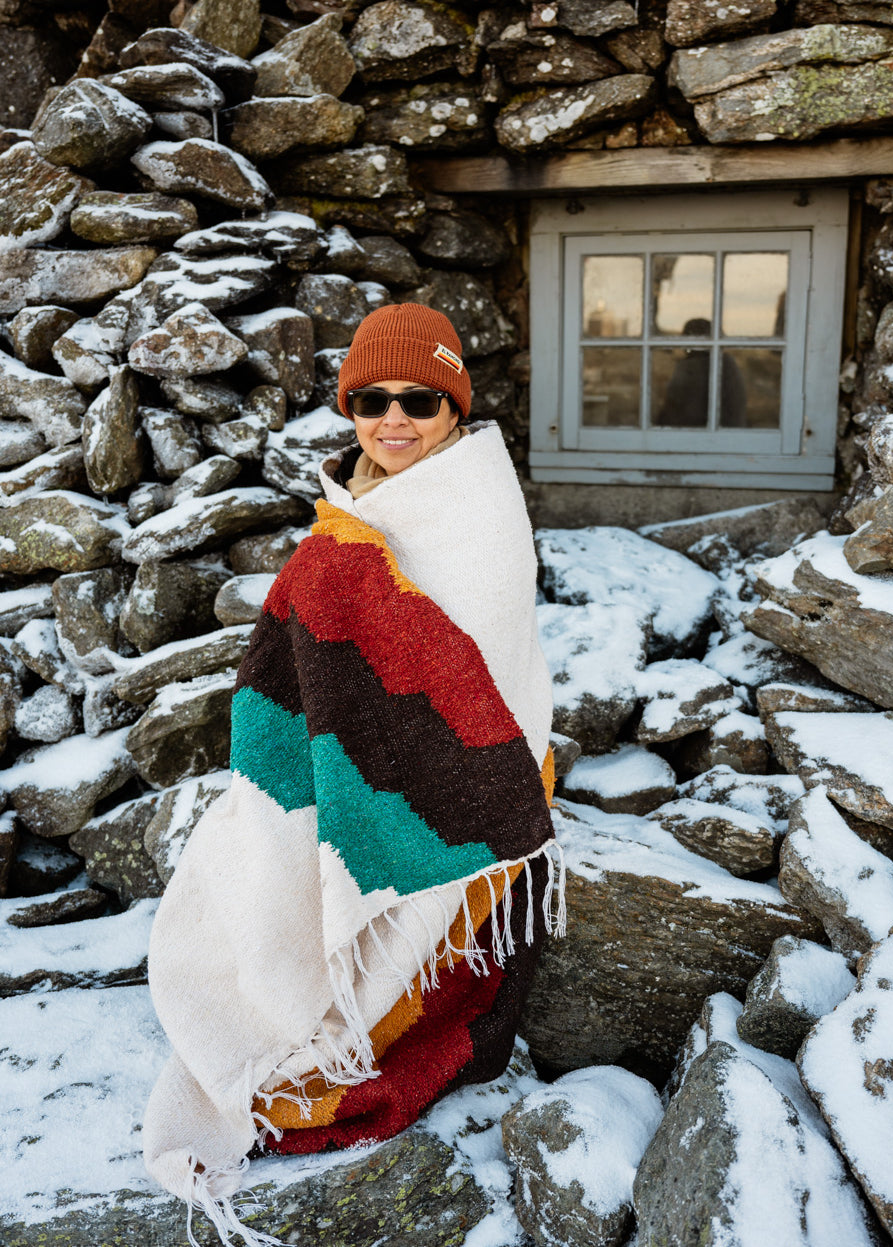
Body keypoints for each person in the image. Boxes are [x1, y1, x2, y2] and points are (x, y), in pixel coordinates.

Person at [143, 303, 562, 1246]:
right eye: (372, 400)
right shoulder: (355, 513)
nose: (394, 419)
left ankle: (360, 985)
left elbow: (478, 670)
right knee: (252, 889)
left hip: (473, 776)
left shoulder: (477, 510)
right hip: (362, 760)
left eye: (420, 398)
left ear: (454, 405)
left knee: (327, 571)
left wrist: (335, 575)